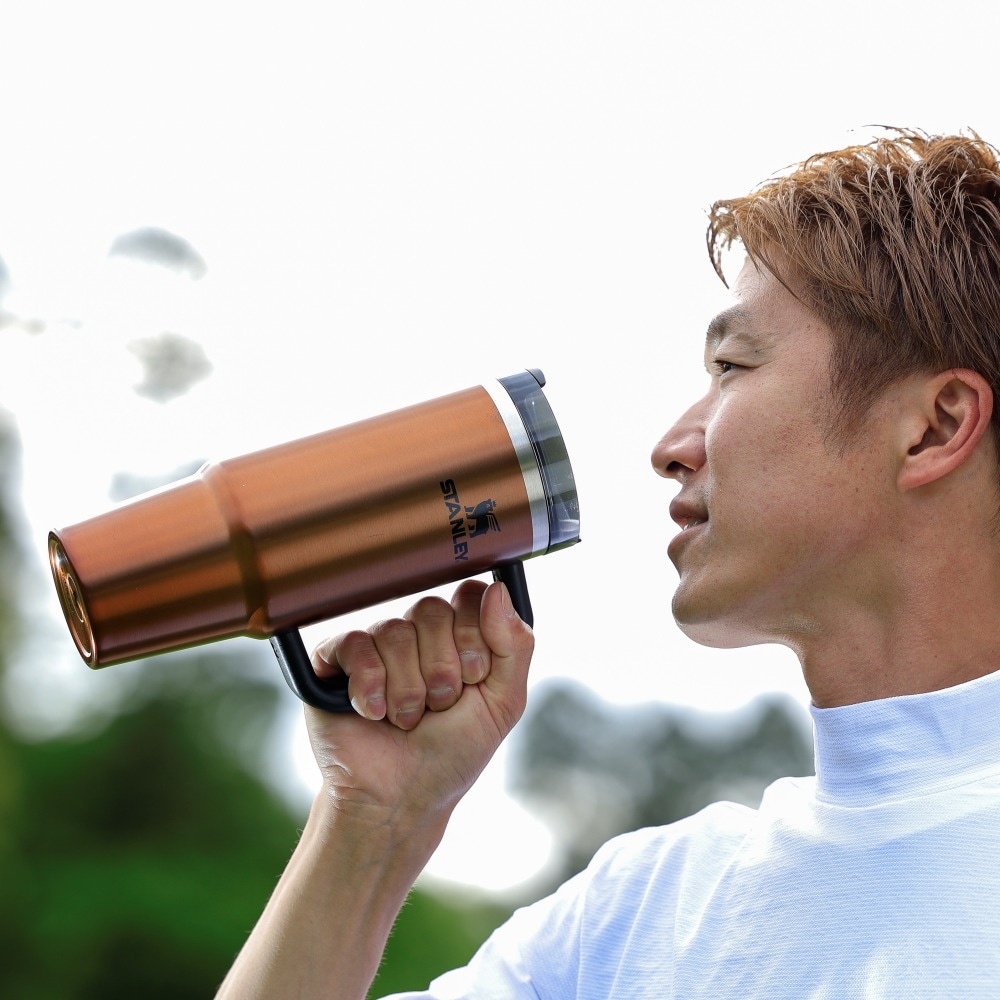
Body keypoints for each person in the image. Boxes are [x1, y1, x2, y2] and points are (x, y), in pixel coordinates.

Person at [216, 128, 1000, 998]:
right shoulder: (637, 919)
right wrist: (373, 826)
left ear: (934, 426)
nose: (670, 447)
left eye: (733, 366)